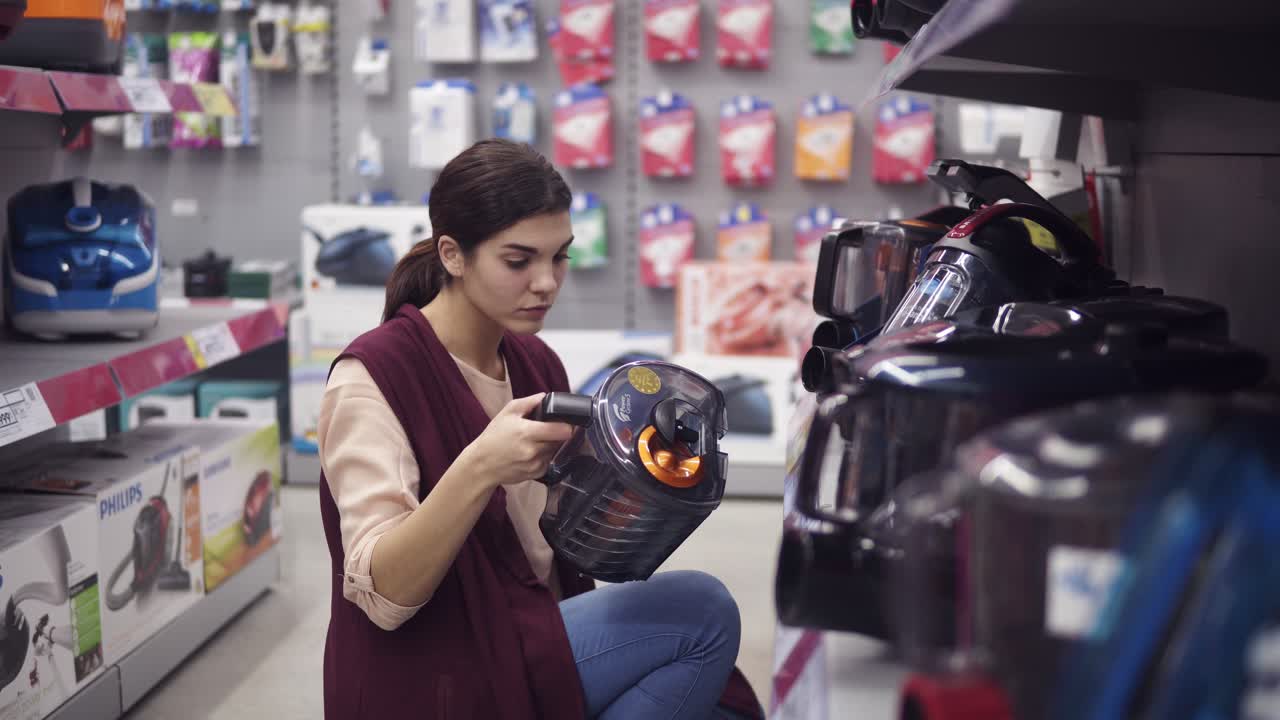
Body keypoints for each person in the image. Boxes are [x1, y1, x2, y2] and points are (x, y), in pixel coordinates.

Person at [317, 139, 762, 719]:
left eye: (560, 257)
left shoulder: (535, 363)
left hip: (526, 626)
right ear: (452, 255)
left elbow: (564, 546)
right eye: (519, 261)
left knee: (723, 707)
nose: (547, 282)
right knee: (703, 612)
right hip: (434, 665)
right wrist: (479, 468)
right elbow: (384, 597)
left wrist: (643, 485)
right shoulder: (371, 378)